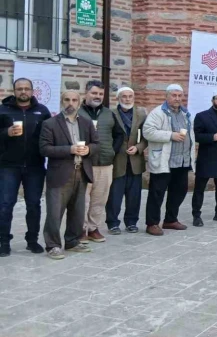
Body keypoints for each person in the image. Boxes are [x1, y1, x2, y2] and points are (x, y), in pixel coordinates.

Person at [40, 90, 98, 259]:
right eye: (67, 100)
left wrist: (88, 150)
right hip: (60, 174)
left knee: (78, 211)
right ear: (61, 102)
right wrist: (70, 149)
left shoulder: (86, 123)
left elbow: (96, 144)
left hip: (81, 172)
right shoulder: (50, 124)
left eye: (74, 100)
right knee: (54, 212)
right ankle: (53, 245)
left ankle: (72, 241)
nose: (70, 103)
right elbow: (44, 149)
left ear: (79, 103)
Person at [0, 78, 51, 257]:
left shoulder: (42, 111)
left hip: (35, 166)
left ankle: (32, 241)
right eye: (20, 89)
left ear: (32, 91)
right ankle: (4, 242)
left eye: (27, 89)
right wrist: (6, 132)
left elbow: (49, 136)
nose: (23, 92)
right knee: (5, 205)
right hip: (8, 166)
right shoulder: (3, 109)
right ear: (14, 91)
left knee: (34, 205)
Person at [143, 84, 196, 236]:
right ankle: (152, 223)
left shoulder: (186, 113)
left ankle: (170, 220)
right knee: (157, 193)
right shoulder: (158, 113)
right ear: (166, 96)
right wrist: (170, 135)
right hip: (164, 160)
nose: (177, 98)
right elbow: (148, 132)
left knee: (179, 191)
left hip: (182, 161)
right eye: (174, 95)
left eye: (180, 96)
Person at [78, 80, 124, 243]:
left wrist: (112, 151)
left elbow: (120, 134)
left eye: (100, 94)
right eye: (94, 93)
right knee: (82, 199)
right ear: (86, 92)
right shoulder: (76, 112)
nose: (97, 96)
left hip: (104, 163)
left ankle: (93, 228)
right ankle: (80, 229)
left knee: (99, 198)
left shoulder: (109, 113)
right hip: (82, 163)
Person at [106, 87, 147, 234]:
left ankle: (131, 222)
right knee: (114, 195)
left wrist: (138, 147)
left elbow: (146, 137)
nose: (127, 99)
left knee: (134, 195)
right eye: (124, 96)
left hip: (135, 160)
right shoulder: (110, 113)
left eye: (130, 96)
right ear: (118, 98)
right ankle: (112, 223)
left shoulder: (141, 114)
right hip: (118, 159)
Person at [191, 92, 217, 227]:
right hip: (206, 157)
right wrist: (212, 137)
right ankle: (196, 215)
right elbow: (196, 136)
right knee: (199, 188)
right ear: (212, 100)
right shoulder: (201, 116)